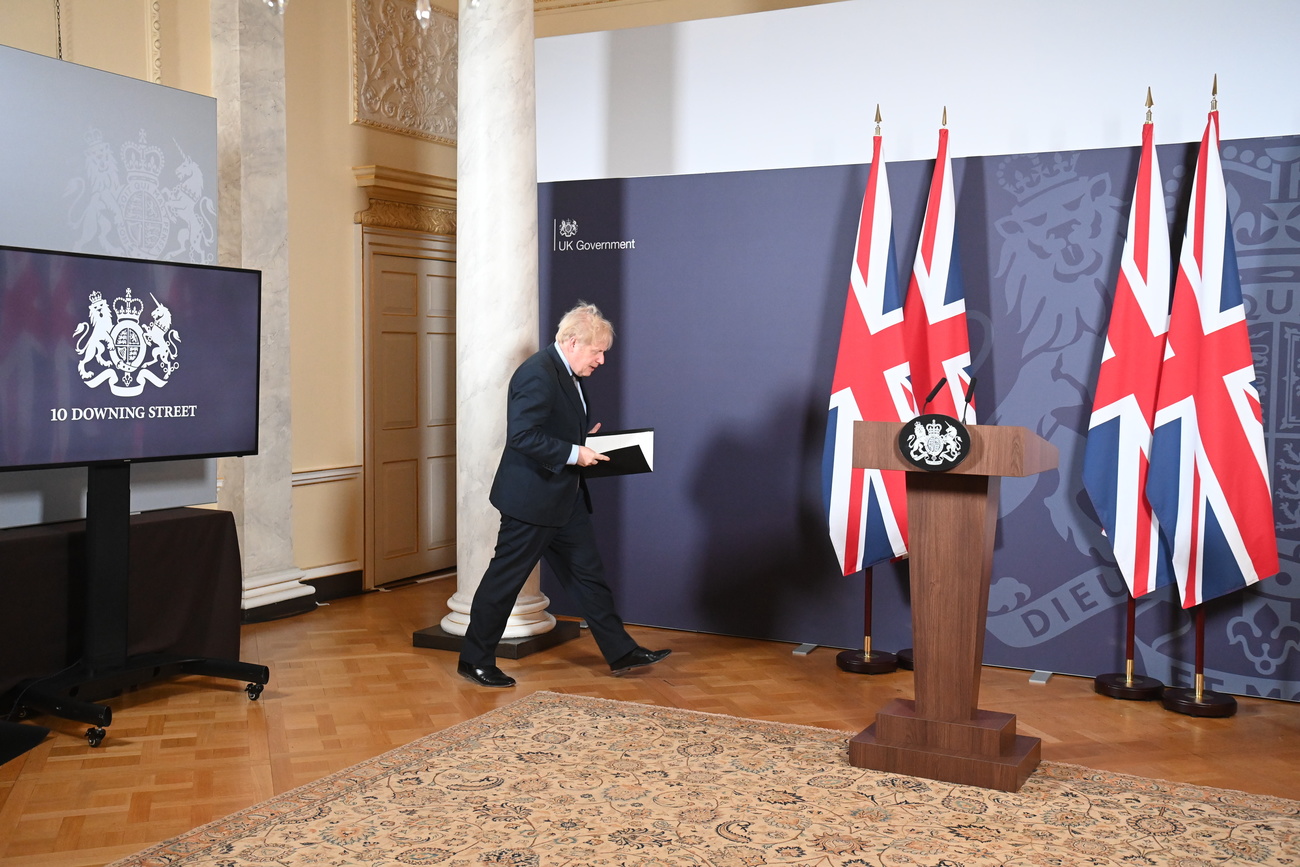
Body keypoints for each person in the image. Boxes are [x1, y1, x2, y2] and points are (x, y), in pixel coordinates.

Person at [457, 302, 670, 688]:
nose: (601, 360)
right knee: (503, 582)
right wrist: (576, 452)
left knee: (589, 577)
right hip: (531, 500)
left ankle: (621, 651)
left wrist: (582, 439)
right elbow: (522, 435)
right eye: (596, 352)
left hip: (563, 495)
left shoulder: (566, 371)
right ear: (572, 342)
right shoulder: (537, 373)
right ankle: (474, 661)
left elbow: (551, 425)